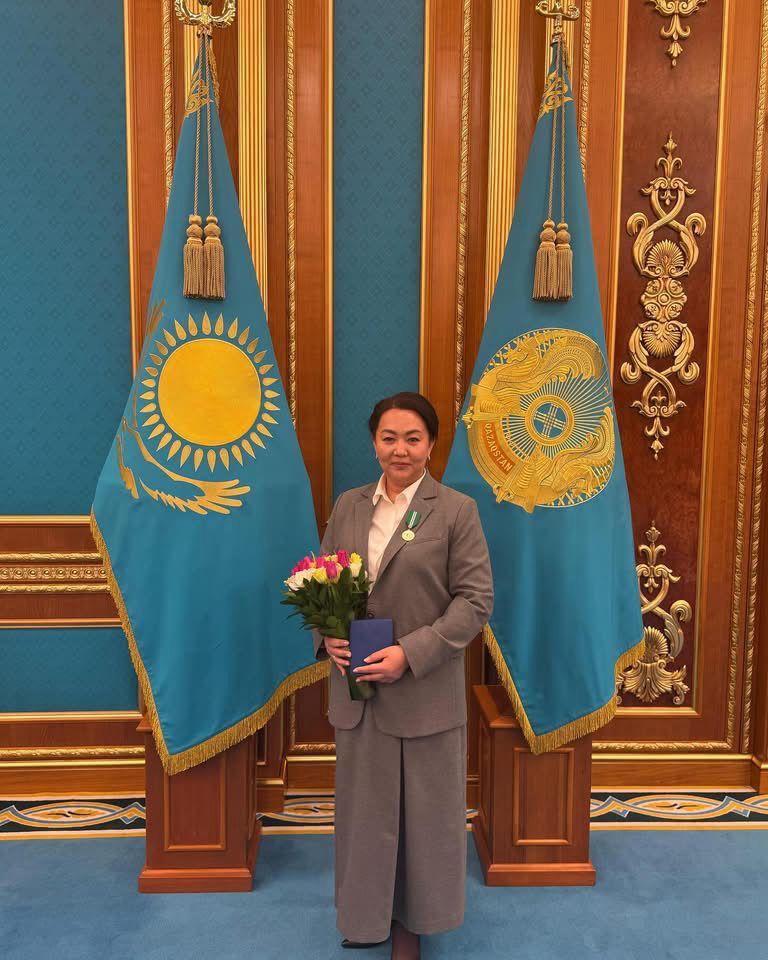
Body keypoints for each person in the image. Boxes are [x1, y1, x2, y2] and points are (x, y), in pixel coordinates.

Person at [313, 391, 494, 960]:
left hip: (422, 690)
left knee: (422, 819)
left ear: (431, 445)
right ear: (374, 442)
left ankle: (414, 923)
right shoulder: (349, 505)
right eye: (389, 437)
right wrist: (327, 636)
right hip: (359, 687)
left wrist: (409, 654)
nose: (400, 449)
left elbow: (475, 601)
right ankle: (366, 916)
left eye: (413, 438)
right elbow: (320, 578)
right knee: (365, 815)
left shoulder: (456, 510)